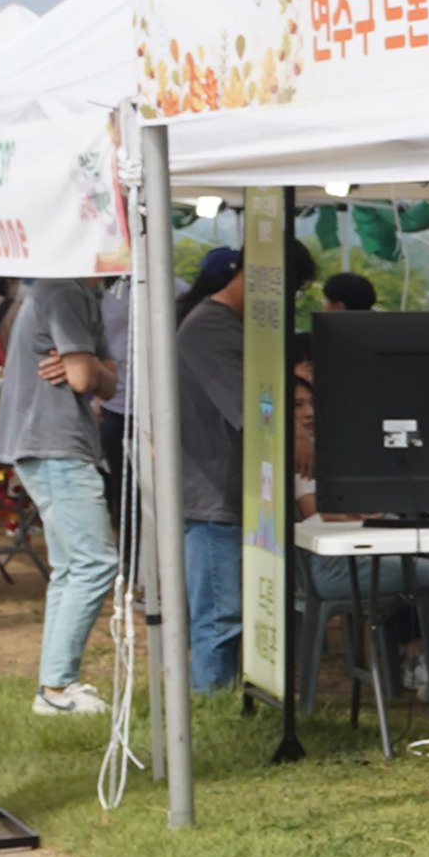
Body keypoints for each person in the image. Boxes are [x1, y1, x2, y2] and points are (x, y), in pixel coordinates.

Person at [0, 275, 118, 716]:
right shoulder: (63, 289)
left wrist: (89, 369)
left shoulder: (79, 291)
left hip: (55, 445)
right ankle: (57, 688)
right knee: (95, 563)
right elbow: (88, 379)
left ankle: (56, 686)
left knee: (72, 567)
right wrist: (88, 369)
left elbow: (106, 381)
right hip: (55, 445)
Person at [172, 247, 249, 689]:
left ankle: (214, 700)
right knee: (219, 615)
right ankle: (211, 704)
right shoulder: (211, 327)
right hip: (210, 494)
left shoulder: (214, 321)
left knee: (219, 611)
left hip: (216, 491)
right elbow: (252, 412)